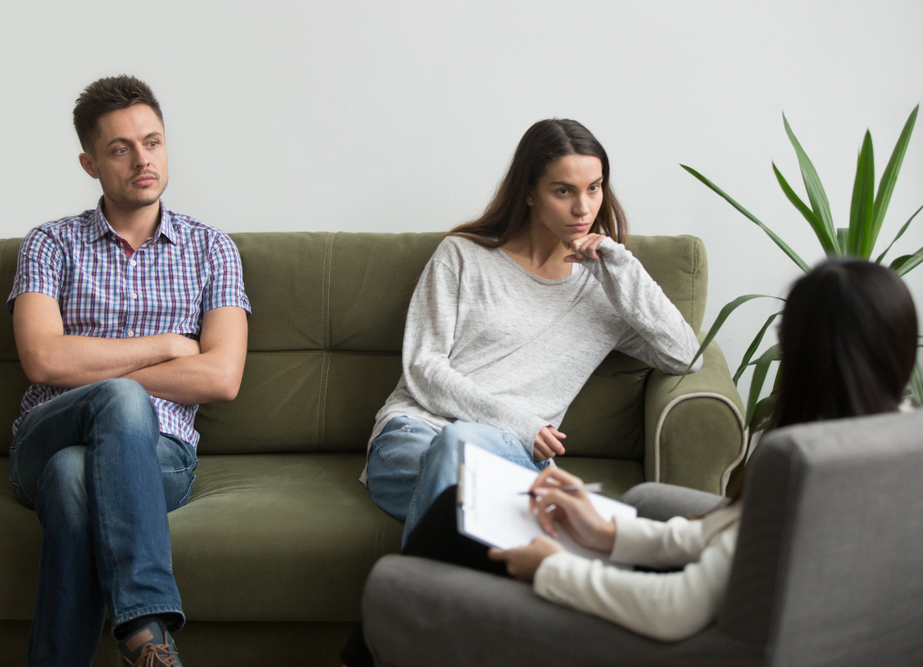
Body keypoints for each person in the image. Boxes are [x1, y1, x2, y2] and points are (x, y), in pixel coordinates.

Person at [342, 256, 918, 665]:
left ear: (805, 358)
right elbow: (727, 540)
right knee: (460, 502)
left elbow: (673, 610)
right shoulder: (882, 449)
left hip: (680, 637)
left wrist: (551, 568)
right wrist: (609, 531)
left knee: (430, 545)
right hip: (735, 616)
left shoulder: (796, 463)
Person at [362, 119, 702, 547]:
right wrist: (519, 424)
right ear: (528, 192)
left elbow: (687, 356)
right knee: (458, 450)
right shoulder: (463, 255)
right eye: (563, 191)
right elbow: (423, 366)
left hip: (508, 453)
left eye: (594, 188)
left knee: (462, 475)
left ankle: (424, 589)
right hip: (414, 435)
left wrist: (621, 264)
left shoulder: (608, 290)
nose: (583, 209)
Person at [7, 75, 250, 667]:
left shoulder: (211, 249)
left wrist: (96, 373)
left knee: (73, 476)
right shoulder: (49, 244)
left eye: (152, 142)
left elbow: (221, 376)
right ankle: (146, 629)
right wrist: (166, 346)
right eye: (121, 149)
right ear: (90, 164)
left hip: (160, 453)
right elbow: (43, 359)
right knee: (111, 406)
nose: (143, 159)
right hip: (47, 432)